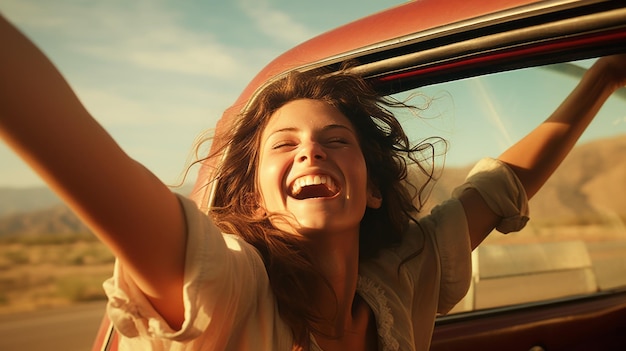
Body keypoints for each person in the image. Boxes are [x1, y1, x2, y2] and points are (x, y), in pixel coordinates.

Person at [1, 13, 625, 351]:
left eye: (336, 141)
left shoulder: (398, 285)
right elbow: (75, 147)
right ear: (252, 195)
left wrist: (602, 77)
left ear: (372, 187)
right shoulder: (228, 293)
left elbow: (495, 187)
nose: (310, 155)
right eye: (284, 144)